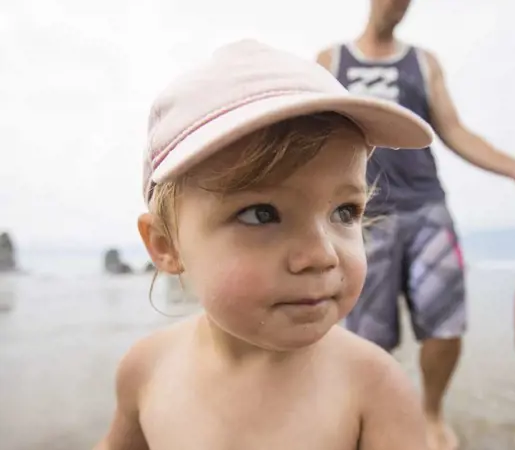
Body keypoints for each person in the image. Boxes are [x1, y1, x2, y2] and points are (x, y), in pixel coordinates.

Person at [95, 39, 437, 449]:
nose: (321, 255)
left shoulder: (373, 386)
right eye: (261, 214)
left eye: (345, 212)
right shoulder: (146, 370)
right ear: (166, 245)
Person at [315, 0, 515, 448]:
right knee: (367, 334)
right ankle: (370, 413)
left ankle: (431, 412)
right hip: (361, 213)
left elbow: (455, 130)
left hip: (426, 206)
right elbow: (312, 131)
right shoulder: (332, 59)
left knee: (446, 323)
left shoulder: (423, 62)